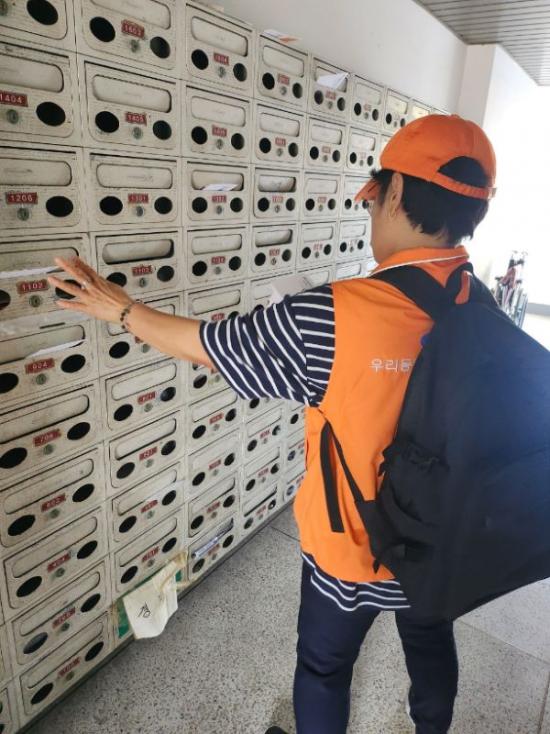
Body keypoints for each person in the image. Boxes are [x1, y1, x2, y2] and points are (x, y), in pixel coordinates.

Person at [48, 113, 496, 734]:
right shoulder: (481, 298)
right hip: (442, 543)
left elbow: (209, 345)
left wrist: (119, 308)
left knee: (323, 668)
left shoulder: (334, 312)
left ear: (394, 193)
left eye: (374, 197)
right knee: (429, 640)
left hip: (352, 547)